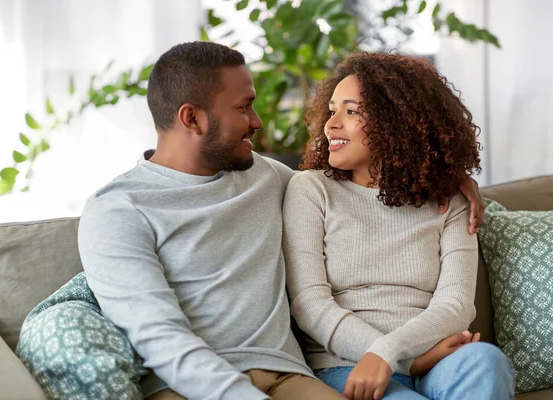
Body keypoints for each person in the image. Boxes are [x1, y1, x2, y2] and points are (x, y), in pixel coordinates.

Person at [78, 42, 485, 400]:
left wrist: (447, 176)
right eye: (243, 107)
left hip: (289, 377)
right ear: (192, 118)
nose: (257, 121)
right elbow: (161, 340)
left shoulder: (269, 178)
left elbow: (360, 189)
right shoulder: (117, 210)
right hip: (185, 387)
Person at [283, 52, 515, 400]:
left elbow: (456, 306)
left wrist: (391, 354)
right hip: (345, 364)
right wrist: (408, 362)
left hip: (436, 360)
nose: (331, 124)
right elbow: (310, 305)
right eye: (332, 110)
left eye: (351, 111)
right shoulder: (310, 190)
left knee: (485, 361)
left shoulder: (448, 200)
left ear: (398, 122)